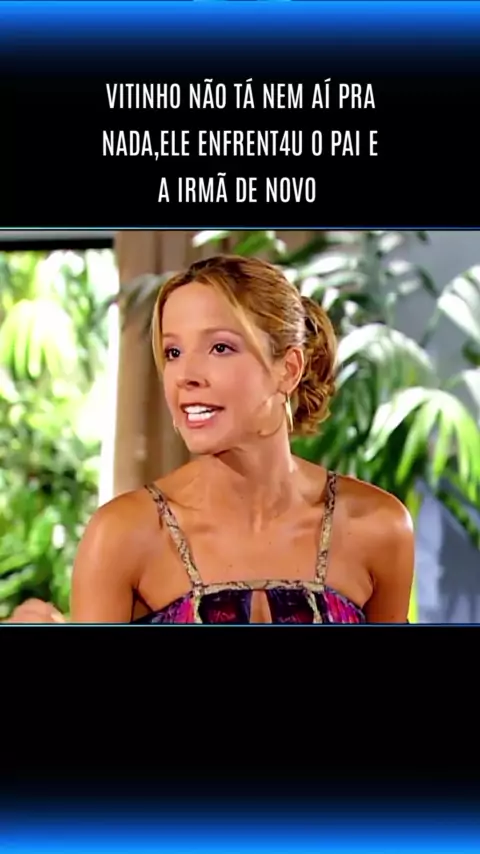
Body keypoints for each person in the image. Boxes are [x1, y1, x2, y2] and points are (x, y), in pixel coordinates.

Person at [5, 254, 414, 624]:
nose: (186, 376)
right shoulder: (122, 535)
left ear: (288, 369)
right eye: (173, 353)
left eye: (219, 347)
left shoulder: (378, 527)